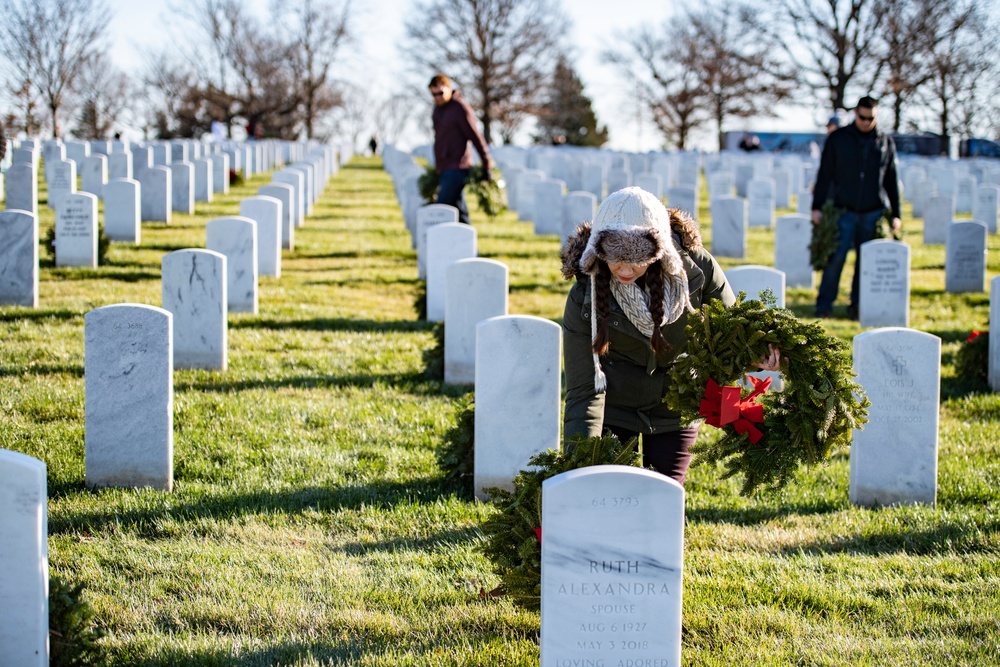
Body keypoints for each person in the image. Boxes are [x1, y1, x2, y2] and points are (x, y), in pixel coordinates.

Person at [560, 187, 782, 485]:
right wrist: (579, 463)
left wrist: (760, 355)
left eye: (636, 258)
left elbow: (734, 333)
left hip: (675, 402)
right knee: (609, 497)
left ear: (659, 248)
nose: (625, 269)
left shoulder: (697, 273)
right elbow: (584, 389)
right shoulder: (585, 294)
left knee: (663, 500)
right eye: (615, 258)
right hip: (614, 405)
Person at [811, 96, 902, 319]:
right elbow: (825, 174)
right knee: (836, 260)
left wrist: (896, 214)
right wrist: (817, 206)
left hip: (872, 211)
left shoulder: (885, 142)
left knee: (867, 265)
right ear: (855, 114)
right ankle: (824, 305)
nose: (866, 122)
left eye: (871, 118)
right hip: (844, 210)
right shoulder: (838, 139)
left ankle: (858, 306)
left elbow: (891, 179)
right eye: (862, 117)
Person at [428, 73, 492, 225]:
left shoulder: (460, 108)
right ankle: (470, 247)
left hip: (458, 167)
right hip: (444, 168)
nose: (437, 97)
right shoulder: (437, 110)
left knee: (441, 208)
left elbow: (475, 137)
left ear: (449, 89)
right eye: (434, 94)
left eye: (440, 93)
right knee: (458, 209)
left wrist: (486, 162)